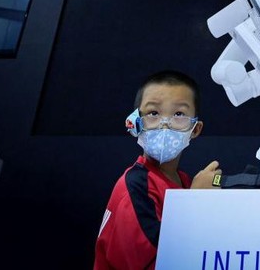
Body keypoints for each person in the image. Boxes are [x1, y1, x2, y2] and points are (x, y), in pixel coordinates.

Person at [94, 69, 222, 270]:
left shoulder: (183, 181)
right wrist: (195, 201)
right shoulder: (134, 187)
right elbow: (158, 263)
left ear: (195, 129)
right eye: (153, 113)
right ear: (134, 123)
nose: (164, 125)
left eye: (179, 114)